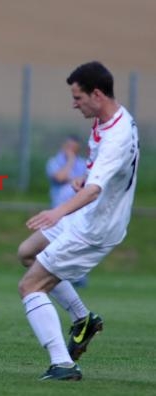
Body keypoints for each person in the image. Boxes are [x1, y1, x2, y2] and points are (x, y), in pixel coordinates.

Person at [17, 61, 139, 380]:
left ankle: (63, 364)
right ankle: (83, 320)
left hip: (97, 228)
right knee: (27, 253)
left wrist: (57, 211)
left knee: (30, 285)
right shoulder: (107, 119)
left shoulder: (118, 135)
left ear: (96, 94)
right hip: (88, 216)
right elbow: (100, 173)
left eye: (78, 97)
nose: (74, 104)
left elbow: (96, 190)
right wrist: (85, 177)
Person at [46, 135, 89, 288]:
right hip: (58, 212)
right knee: (57, 244)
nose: (70, 150)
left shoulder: (84, 164)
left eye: (74, 148)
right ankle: (57, 277)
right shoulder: (54, 162)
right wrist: (70, 161)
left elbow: (86, 184)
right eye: (68, 147)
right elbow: (61, 177)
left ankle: (78, 278)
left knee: (78, 244)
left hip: (79, 211)